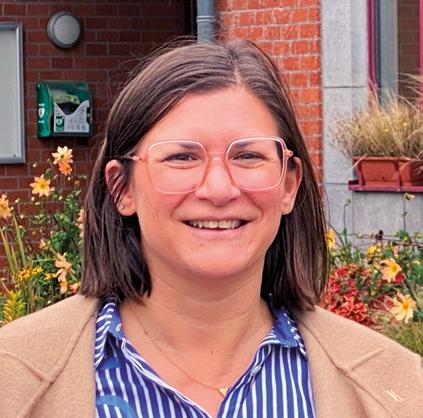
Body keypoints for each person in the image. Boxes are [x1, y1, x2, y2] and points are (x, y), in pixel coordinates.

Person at [0, 40, 422, 418]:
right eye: (182, 157)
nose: (219, 189)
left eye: (248, 156)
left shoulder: (399, 388)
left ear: (289, 185)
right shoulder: (13, 378)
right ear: (121, 188)